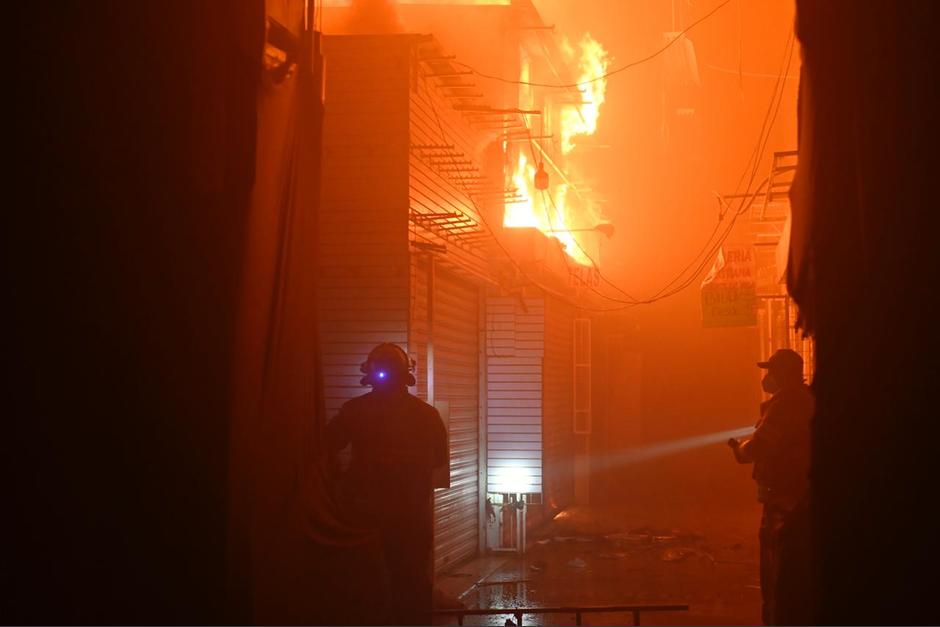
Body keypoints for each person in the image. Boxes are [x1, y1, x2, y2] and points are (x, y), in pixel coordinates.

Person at [327, 343, 449, 626]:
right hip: (408, 516)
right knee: (410, 587)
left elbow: (327, 442)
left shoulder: (356, 410)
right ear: (405, 374)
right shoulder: (426, 415)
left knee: (366, 588)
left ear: (370, 373)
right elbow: (439, 458)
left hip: (364, 517)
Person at [728, 348, 814, 625]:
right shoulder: (807, 399)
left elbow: (762, 445)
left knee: (776, 576)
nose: (767, 378)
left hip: (782, 500)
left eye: (770, 371)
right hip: (800, 495)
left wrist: (740, 451)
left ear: (782, 374)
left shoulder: (785, 405)